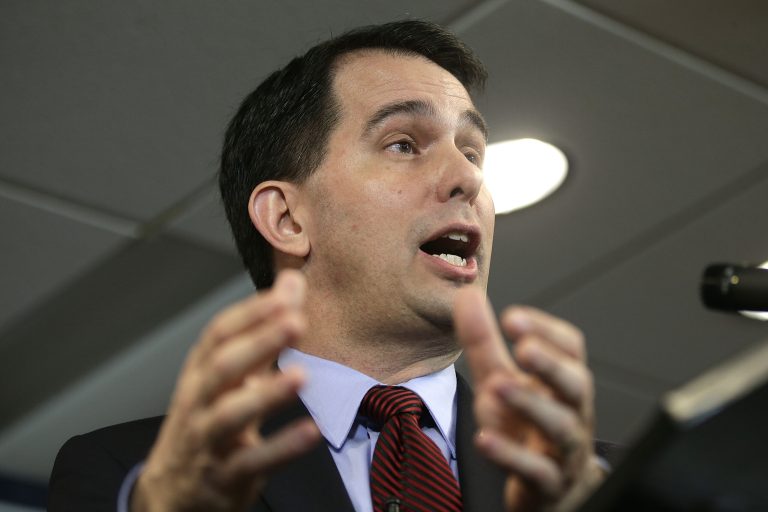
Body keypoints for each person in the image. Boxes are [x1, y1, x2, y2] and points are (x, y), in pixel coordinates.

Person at [48, 19, 612, 512]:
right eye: (404, 144)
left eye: (471, 151)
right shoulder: (132, 477)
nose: (468, 178)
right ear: (288, 219)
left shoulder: (606, 489)